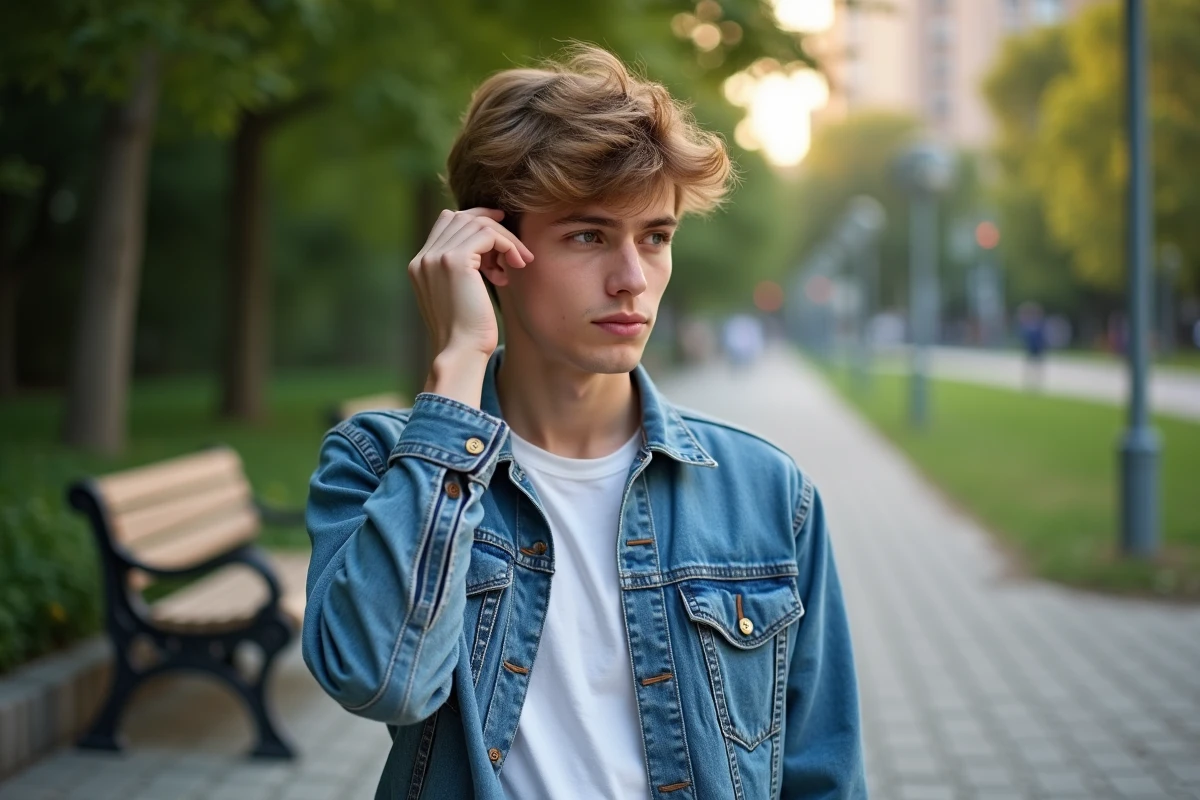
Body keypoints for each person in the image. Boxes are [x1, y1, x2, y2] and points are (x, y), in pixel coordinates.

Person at [303, 44, 866, 800]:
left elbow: (822, 778)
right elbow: (382, 684)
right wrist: (460, 363)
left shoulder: (768, 493)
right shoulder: (380, 465)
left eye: (656, 238)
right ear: (495, 252)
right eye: (589, 235)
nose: (633, 278)